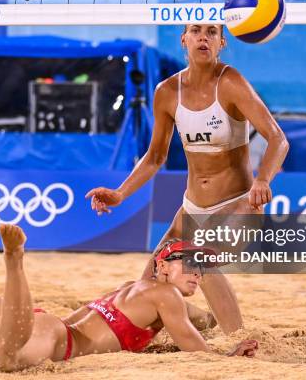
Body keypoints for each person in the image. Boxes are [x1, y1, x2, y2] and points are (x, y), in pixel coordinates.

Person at [0, 117, 258, 371]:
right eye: (186, 263)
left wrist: (213, 318)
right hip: (50, 340)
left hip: (37, 325)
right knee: (4, 362)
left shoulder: (143, 289)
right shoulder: (166, 297)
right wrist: (228, 354)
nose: (196, 272)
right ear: (161, 266)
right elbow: (196, 346)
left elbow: (199, 317)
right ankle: (14, 260)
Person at [85, 24, 289, 335]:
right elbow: (155, 157)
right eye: (196, 31)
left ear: (222, 42)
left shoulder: (230, 81)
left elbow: (278, 139)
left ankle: (241, 342)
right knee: (150, 284)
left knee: (197, 261)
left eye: (211, 32)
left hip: (238, 205)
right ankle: (203, 322)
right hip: (192, 208)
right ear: (184, 39)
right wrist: (119, 193)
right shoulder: (166, 92)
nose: (203, 37)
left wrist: (263, 180)